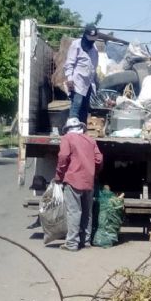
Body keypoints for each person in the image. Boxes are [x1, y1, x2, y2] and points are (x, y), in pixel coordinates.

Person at [54, 117, 103, 251]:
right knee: (87, 212)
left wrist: (59, 175)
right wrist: (93, 172)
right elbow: (99, 159)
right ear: (81, 128)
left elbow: (63, 156)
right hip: (89, 180)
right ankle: (86, 241)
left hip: (73, 180)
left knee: (74, 212)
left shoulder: (67, 138)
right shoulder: (91, 140)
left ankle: (72, 243)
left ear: (67, 130)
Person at [63, 24, 100, 124]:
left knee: (84, 109)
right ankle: (72, 130)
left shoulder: (94, 49)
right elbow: (69, 63)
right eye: (90, 38)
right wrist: (69, 79)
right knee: (76, 106)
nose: (91, 41)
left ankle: (82, 132)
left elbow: (94, 66)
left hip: (88, 84)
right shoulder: (76, 45)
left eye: (93, 38)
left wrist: (96, 81)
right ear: (85, 36)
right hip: (77, 82)